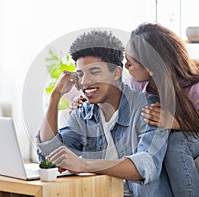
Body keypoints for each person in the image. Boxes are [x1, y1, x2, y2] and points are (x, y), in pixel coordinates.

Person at [36, 30, 173, 196]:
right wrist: (55, 98)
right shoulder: (84, 114)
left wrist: (84, 164)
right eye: (80, 74)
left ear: (116, 72)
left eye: (94, 72)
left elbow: (146, 165)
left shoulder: (147, 107)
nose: (85, 82)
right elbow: (49, 157)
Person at [124, 23, 199, 197]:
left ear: (151, 67)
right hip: (177, 126)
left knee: (177, 144)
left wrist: (174, 122)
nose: (125, 67)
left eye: (129, 63)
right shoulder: (139, 83)